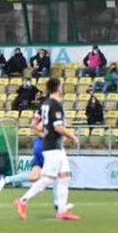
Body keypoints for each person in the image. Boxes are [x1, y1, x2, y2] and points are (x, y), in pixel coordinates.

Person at [15, 78, 80, 220]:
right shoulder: (55, 105)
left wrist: (45, 133)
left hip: (55, 145)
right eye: (61, 86)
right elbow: (57, 127)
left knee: (65, 176)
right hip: (52, 146)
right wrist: (72, 136)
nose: (63, 88)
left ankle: (62, 210)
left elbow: (33, 124)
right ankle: (22, 200)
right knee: (49, 178)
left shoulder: (44, 104)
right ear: (57, 88)